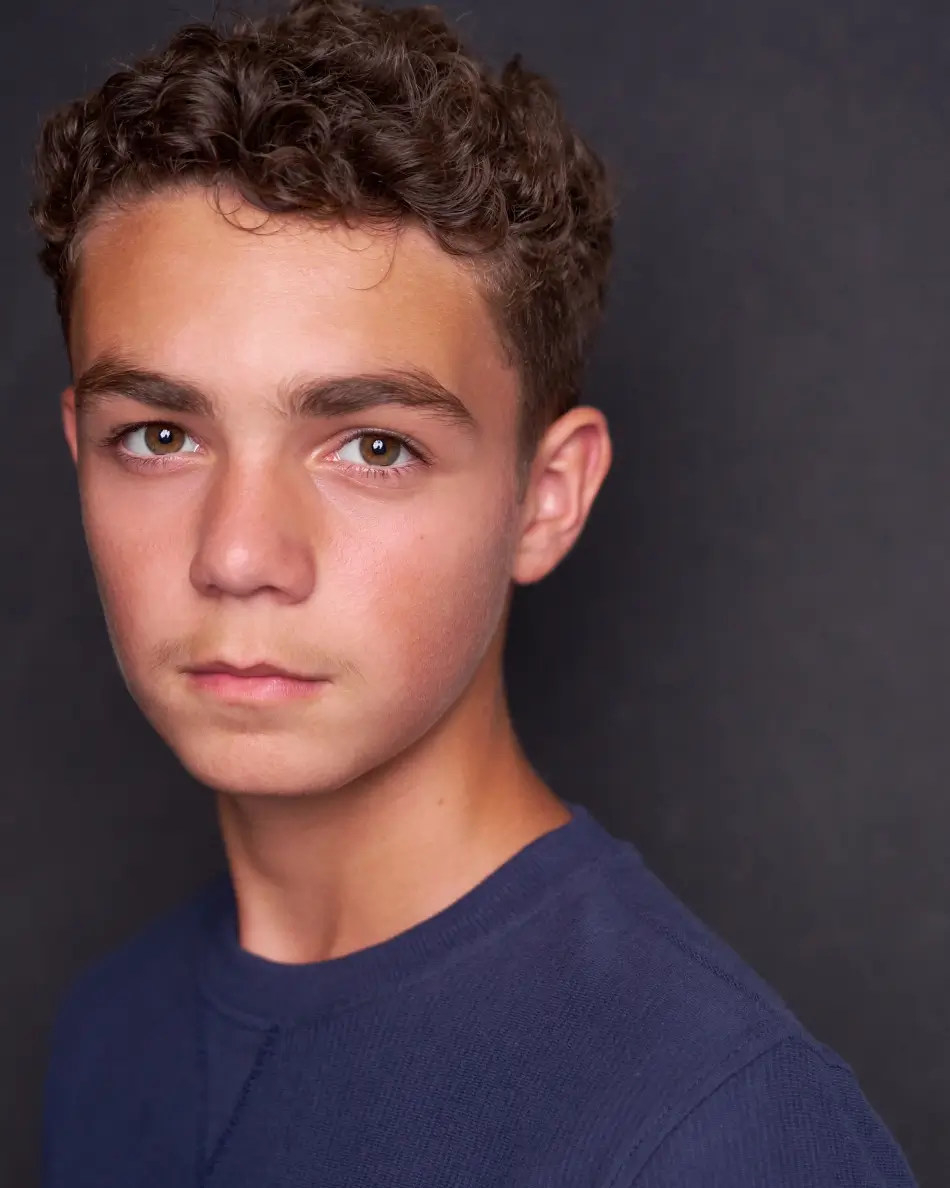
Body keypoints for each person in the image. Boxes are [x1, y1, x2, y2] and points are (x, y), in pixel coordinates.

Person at [30, 1, 917, 1184]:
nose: (237, 555)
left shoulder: (716, 1128)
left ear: (545, 498)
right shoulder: (106, 1034)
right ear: (79, 449)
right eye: (158, 436)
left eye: (374, 448)